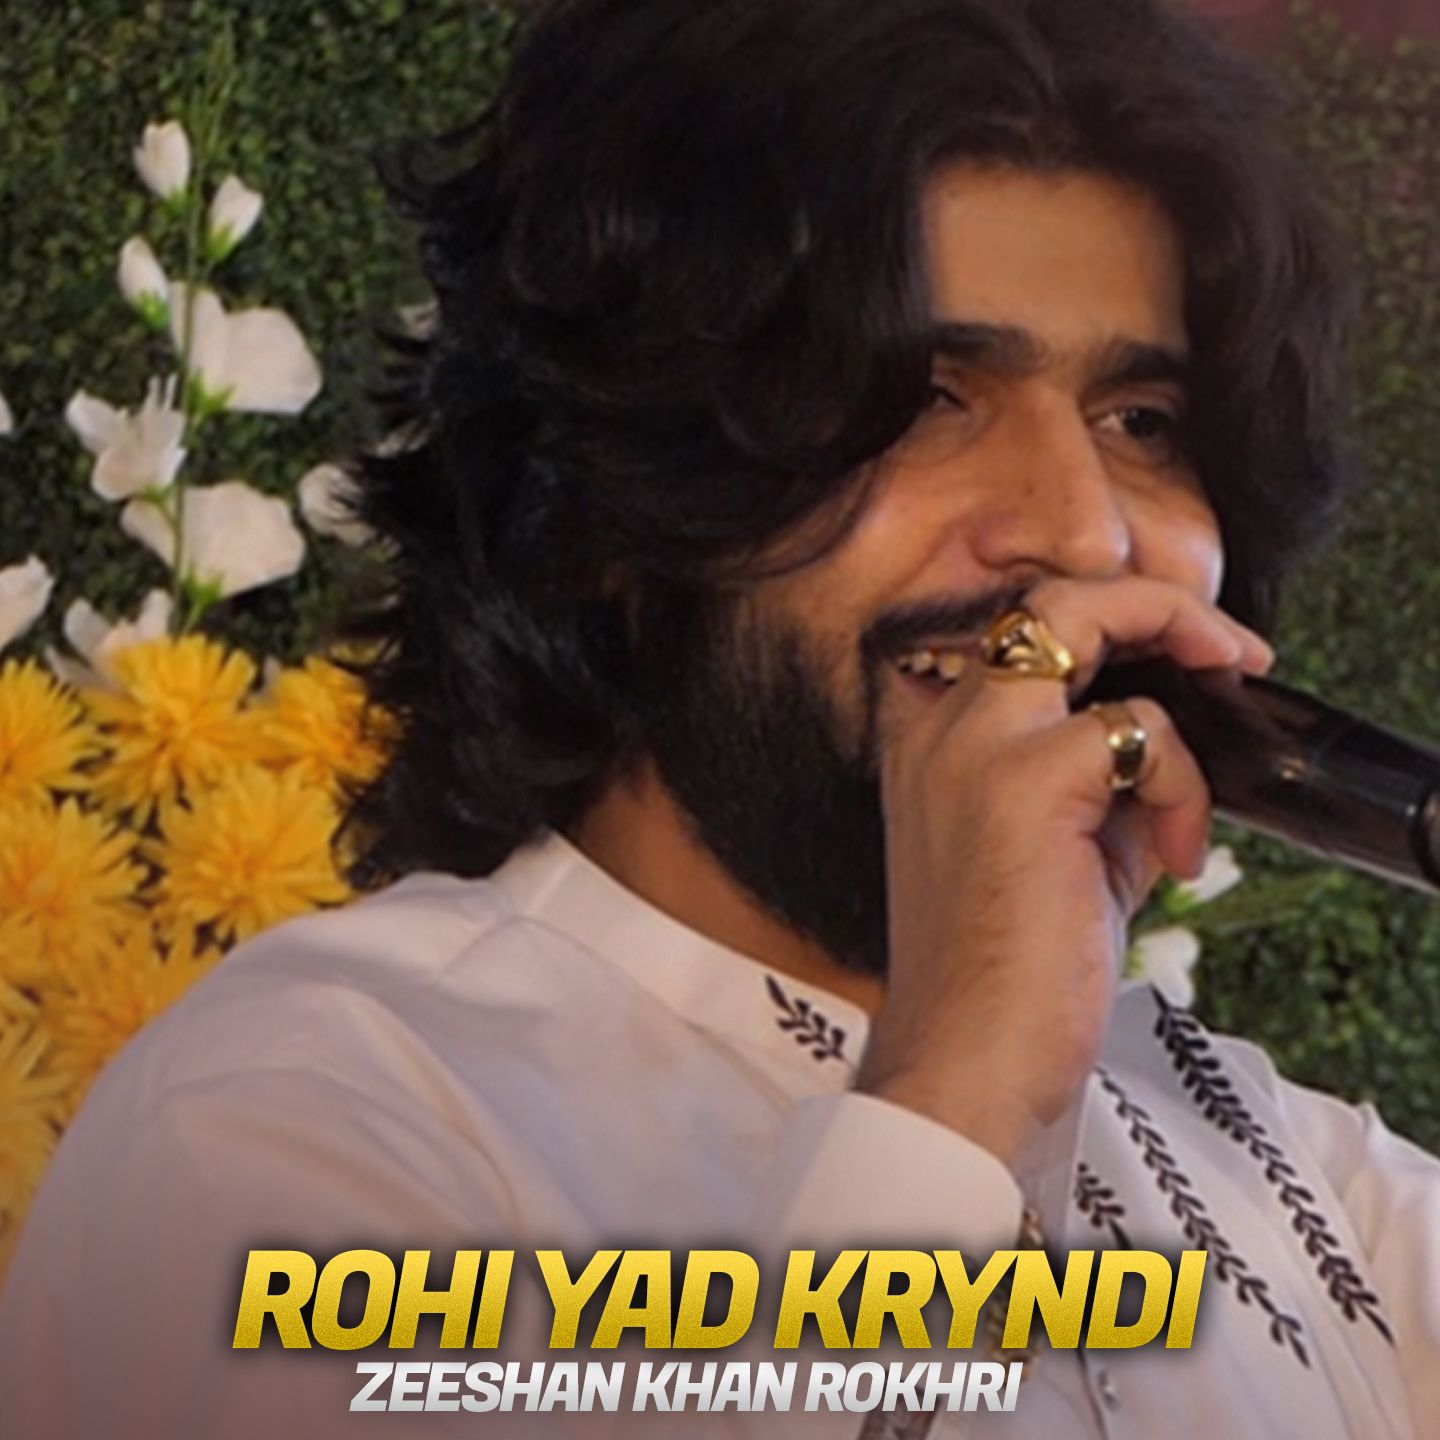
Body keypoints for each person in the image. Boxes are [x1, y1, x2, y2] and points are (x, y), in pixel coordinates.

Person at [2, 0, 1434, 1435]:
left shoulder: (1315, 1188)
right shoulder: (301, 1114)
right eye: (925, 398)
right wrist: (957, 1096)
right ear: (613, 507)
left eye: (1142, 424)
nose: (1083, 530)